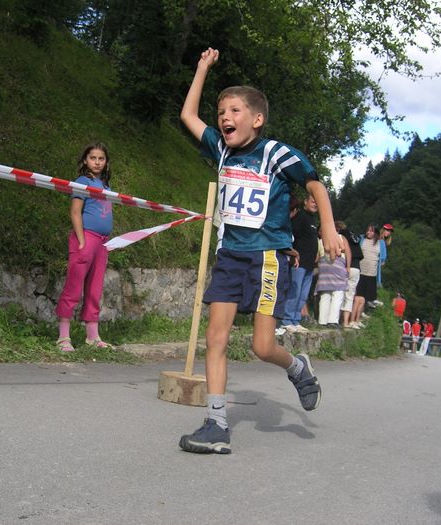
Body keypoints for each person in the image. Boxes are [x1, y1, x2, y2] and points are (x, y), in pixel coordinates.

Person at [177, 47, 342, 454]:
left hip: (268, 256)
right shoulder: (221, 149)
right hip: (231, 255)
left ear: (257, 119)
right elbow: (188, 116)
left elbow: (315, 185)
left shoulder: (276, 153)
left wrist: (327, 225)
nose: (225, 118)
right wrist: (202, 69)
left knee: (262, 347)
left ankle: (297, 367)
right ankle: (216, 424)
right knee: (215, 337)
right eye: (221, 112)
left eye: (234, 111)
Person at [55, 143, 114, 352]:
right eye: (93, 158)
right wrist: (81, 240)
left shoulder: (106, 186)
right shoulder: (82, 181)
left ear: (106, 162)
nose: (97, 162)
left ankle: (92, 337)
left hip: (102, 243)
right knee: (74, 286)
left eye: (101, 158)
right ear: (85, 160)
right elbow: (75, 212)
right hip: (86, 239)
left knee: (95, 289)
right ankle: (63, 337)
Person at [281, 193, 320, 333]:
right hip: (299, 262)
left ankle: (296, 319)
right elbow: (292, 236)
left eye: (317, 202)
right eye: (312, 201)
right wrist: (293, 255)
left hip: (310, 263)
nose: (315, 204)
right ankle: (286, 319)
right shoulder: (300, 217)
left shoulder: (312, 219)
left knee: (303, 294)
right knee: (294, 291)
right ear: (305, 202)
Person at [315, 226, 349, 327]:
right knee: (338, 293)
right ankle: (333, 320)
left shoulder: (320, 241)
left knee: (325, 294)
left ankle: (322, 320)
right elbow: (347, 251)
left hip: (324, 269)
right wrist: (348, 266)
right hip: (337, 267)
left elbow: (317, 258)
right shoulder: (340, 237)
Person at [350, 224, 381, 328]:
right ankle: (352, 320)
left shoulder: (379, 243)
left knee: (364, 299)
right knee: (357, 298)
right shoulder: (361, 239)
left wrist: (379, 279)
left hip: (372, 274)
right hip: (361, 272)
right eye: (367, 230)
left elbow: (381, 259)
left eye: (371, 231)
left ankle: (358, 319)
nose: (369, 232)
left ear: (375, 232)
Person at [336, 221, 362, 329]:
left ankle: (336, 319)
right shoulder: (354, 236)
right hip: (356, 268)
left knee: (338, 293)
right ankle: (346, 322)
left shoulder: (340, 236)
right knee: (349, 296)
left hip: (344, 266)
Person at [375, 223, 393, 291]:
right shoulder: (380, 240)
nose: (388, 233)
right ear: (383, 230)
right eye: (387, 230)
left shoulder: (382, 240)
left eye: (390, 231)